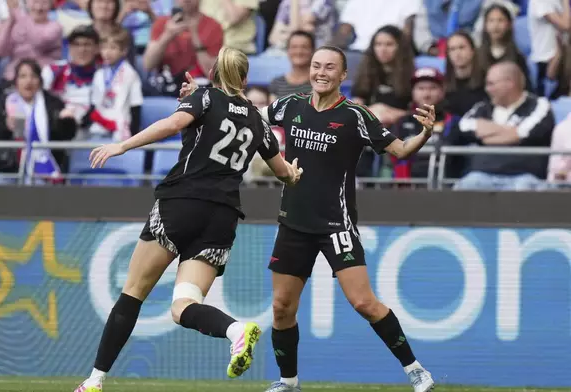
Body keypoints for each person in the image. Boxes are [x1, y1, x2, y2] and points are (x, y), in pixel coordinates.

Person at [179, 45, 438, 392]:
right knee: (282, 307)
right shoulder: (291, 105)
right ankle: (289, 383)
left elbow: (400, 149)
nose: (321, 72)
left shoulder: (356, 116)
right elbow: (245, 115)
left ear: (343, 75)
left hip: (337, 225)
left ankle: (416, 371)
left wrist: (424, 134)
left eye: (330, 67)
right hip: (293, 223)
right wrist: (199, 97)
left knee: (363, 302)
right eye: (316, 66)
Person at [73, 47, 303, 392]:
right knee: (184, 306)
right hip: (222, 217)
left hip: (181, 204)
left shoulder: (205, 98)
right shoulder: (257, 118)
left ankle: (95, 380)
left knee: (133, 293)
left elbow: (173, 123)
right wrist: (296, 174)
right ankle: (235, 330)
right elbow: (284, 172)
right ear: (243, 78)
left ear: (214, 73)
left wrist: (122, 146)